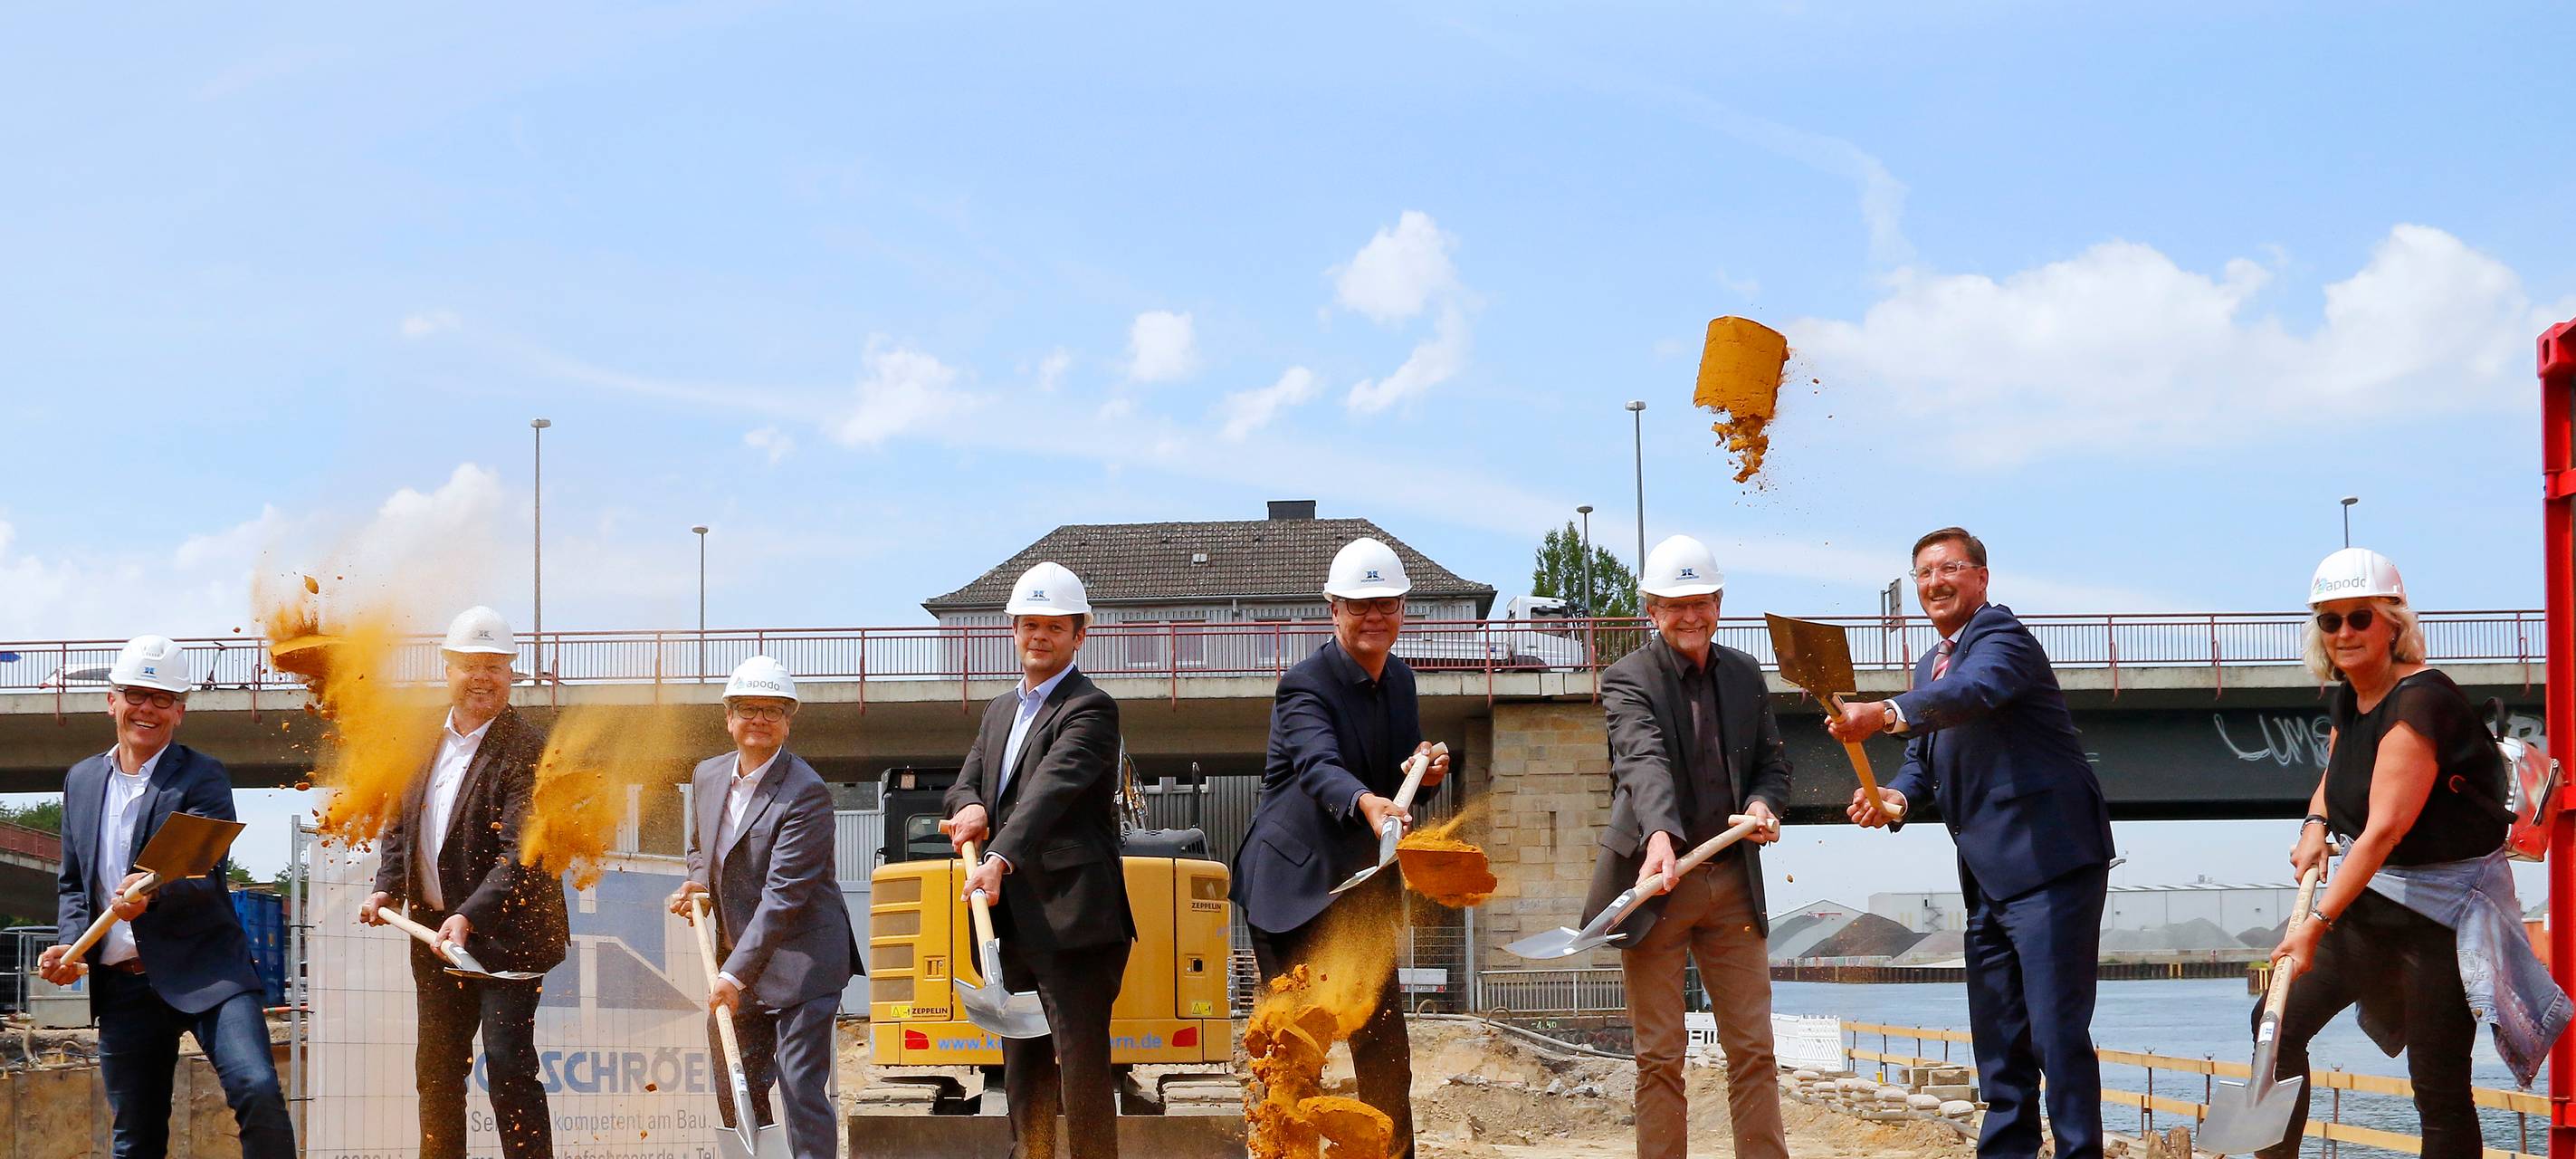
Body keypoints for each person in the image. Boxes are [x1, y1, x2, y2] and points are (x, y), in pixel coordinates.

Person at [2258, 548, 2568, 1159]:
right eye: (2330, 620)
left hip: (2441, 919)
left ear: (2393, 622)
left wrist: (2315, 926)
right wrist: (2316, 822)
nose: (2344, 632)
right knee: (2276, 1027)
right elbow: (2339, 768)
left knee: (2439, 1087)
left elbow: (2381, 832)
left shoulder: (2421, 701)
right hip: (2377, 904)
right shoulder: (2352, 695)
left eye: (2359, 617)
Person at [1830, 527, 2113, 1159]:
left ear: (1981, 578)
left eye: (1949, 568)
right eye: (1923, 573)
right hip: (1989, 881)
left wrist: (1883, 711)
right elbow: (1922, 762)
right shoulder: (1930, 664)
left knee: (2056, 1035)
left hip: (2051, 869)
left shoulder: (2000, 638)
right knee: (2001, 1041)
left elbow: (1972, 692)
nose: (1935, 582)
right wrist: (1895, 798)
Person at [1233, 536, 1450, 1159]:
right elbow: (1318, 765)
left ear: (1403, 610)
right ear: (1334, 610)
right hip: (1292, 892)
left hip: (1362, 893)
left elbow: (1402, 785)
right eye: (1360, 606)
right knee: (1291, 1057)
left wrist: (1423, 778)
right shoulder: (1304, 685)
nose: (1374, 617)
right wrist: (1367, 801)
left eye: (1386, 605)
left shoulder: (1402, 681)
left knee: (1385, 1053)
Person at [40, 636, 296, 1159]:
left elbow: (199, 867)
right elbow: (74, 884)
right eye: (137, 694)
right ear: (112, 700)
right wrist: (73, 948)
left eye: (162, 700)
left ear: (180, 712)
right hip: (125, 984)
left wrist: (149, 895)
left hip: (208, 971)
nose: (147, 709)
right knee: (136, 1138)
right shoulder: (82, 780)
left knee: (257, 1090)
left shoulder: (203, 776)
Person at [1587, 535, 1788, 1159]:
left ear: (1720, 602)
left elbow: (1772, 767)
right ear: (1651, 609)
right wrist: (1660, 838)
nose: (1690, 616)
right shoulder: (1627, 680)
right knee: (1659, 1055)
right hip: (1658, 883)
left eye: (1701, 601)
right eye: (1675, 605)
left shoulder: (1746, 676)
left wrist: (1762, 806)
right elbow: (1640, 762)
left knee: (1753, 1048)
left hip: (1731, 883)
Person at [939, 562, 1135, 1159]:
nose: (1039, 636)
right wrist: (970, 808)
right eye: (1029, 625)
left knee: (1081, 1073)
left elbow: (1049, 792)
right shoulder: (1000, 711)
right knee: (1023, 1077)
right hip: (1012, 929)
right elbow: (964, 785)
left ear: (1080, 635)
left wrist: (997, 855)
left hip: (1074, 924)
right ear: (1014, 631)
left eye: (1055, 626)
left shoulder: (1090, 709)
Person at [357, 606, 568, 1159]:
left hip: (508, 935)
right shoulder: (417, 738)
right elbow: (401, 824)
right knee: (437, 1072)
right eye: (471, 664)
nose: (482, 677)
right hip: (433, 936)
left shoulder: (527, 748)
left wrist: (469, 914)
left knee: (507, 1066)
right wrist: (386, 886)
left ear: (511, 674)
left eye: (495, 666)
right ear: (447, 667)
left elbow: (521, 851)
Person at [668, 656, 861, 1159]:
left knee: (800, 1088)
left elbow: (784, 897)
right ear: (728, 718)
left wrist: (731, 977)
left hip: (803, 963)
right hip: (742, 960)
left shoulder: (806, 793)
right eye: (749, 709)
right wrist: (696, 883)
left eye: (773, 711)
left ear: (788, 722)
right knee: (737, 1089)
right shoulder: (708, 776)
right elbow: (699, 846)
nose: (760, 719)